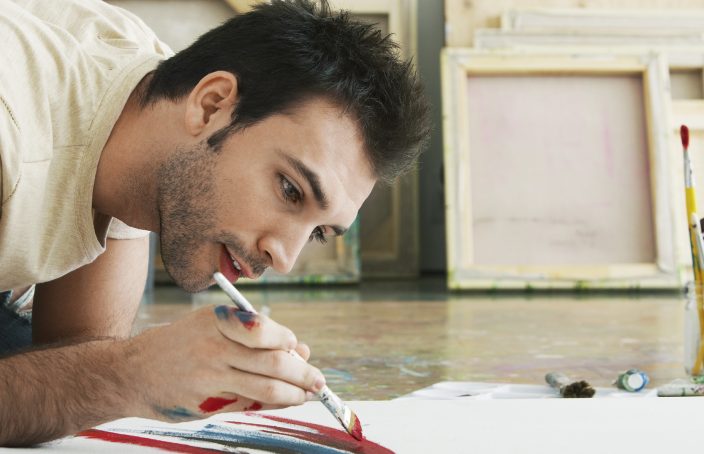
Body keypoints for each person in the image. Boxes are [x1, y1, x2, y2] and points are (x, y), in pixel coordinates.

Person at [0, 0, 430, 445]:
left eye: (318, 231)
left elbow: (78, 364)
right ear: (210, 106)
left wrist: (122, 371)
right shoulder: (12, 129)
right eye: (289, 189)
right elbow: (101, 374)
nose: (283, 258)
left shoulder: (148, 120)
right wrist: (131, 373)